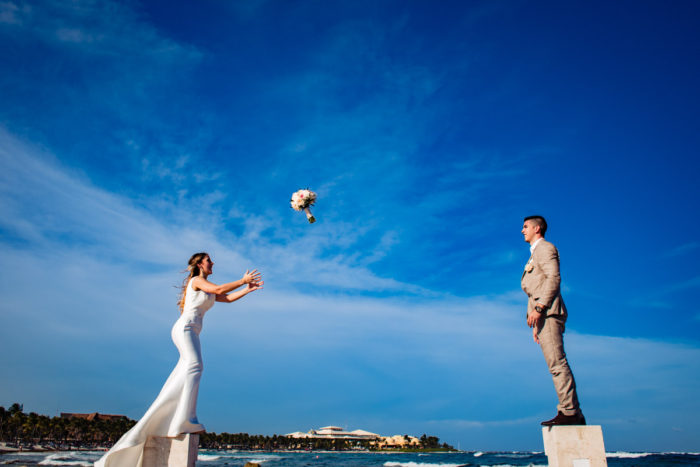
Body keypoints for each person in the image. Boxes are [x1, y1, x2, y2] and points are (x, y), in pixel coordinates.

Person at [95, 252, 263, 466]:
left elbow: (226, 298)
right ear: (200, 264)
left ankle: (175, 418)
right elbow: (220, 289)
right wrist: (242, 280)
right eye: (209, 260)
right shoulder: (197, 281)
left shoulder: (205, 285)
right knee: (195, 366)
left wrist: (247, 289)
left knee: (186, 372)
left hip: (193, 331)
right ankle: (185, 419)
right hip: (184, 328)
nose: (212, 263)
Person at [521, 216, 585, 426]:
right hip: (542, 316)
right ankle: (570, 410)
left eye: (526, 227)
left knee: (557, 363)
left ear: (537, 228)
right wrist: (534, 320)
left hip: (548, 312)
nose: (523, 231)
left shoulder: (545, 248)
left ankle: (570, 412)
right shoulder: (534, 254)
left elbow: (553, 278)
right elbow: (535, 289)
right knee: (554, 364)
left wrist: (540, 308)